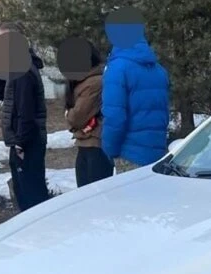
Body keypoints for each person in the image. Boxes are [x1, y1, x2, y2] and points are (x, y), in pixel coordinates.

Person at [101, 10, 170, 172]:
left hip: (129, 154)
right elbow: (163, 112)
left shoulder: (117, 68)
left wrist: (110, 149)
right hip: (157, 153)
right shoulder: (159, 70)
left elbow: (114, 116)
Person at [0, 22, 49, 211]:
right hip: (20, 139)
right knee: (24, 192)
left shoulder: (23, 70)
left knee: (31, 197)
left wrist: (20, 143)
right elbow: (2, 94)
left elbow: (26, 111)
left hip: (27, 141)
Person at [61, 39, 114, 187]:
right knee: (84, 192)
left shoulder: (94, 82)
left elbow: (77, 117)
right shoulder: (81, 81)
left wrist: (68, 115)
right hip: (84, 143)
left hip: (96, 144)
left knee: (96, 193)